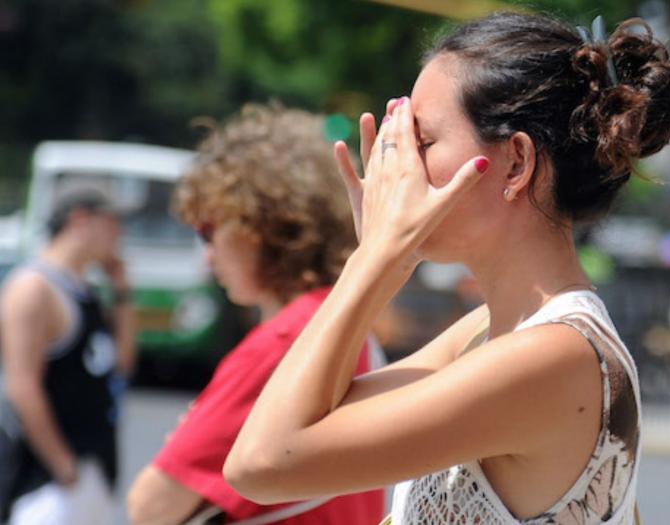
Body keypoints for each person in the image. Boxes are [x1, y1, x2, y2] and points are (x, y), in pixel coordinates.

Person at [224, 13, 670, 524]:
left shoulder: (554, 356)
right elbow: (316, 417)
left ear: (516, 162)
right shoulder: (486, 332)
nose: (398, 167)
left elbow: (262, 464)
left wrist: (376, 257)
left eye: (421, 143)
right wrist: (385, 255)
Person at [126, 104, 385, 524]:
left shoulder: (285, 342)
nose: (207, 256)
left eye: (209, 230)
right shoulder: (345, 322)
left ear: (263, 223)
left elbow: (150, 507)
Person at [0, 190, 136, 524]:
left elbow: (121, 362)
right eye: (112, 223)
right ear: (80, 220)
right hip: (45, 479)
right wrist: (64, 467)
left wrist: (121, 292)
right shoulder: (33, 288)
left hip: (93, 464)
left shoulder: (84, 289)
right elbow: (22, 386)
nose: (119, 235)